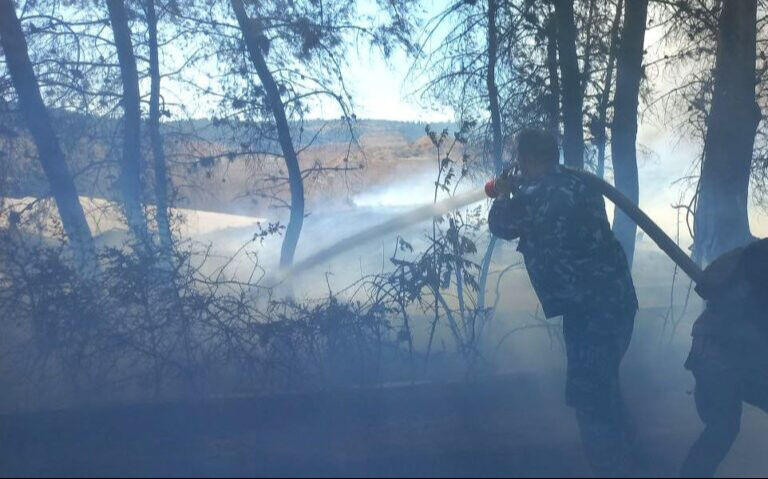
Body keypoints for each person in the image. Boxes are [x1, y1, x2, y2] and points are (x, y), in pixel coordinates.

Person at [488, 128, 638, 477]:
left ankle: (612, 469)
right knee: (605, 386)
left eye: (521, 161)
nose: (519, 167)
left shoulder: (535, 193)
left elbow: (501, 224)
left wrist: (503, 194)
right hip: (617, 303)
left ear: (530, 159)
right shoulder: (579, 184)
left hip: (589, 312)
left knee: (590, 399)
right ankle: (635, 459)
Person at [680, 238, 768, 478]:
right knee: (722, 428)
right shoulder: (760, 260)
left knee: (722, 428)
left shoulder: (758, 255)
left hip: (729, 352)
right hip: (718, 355)